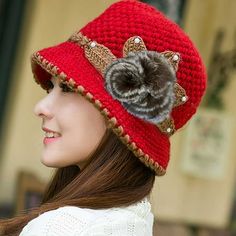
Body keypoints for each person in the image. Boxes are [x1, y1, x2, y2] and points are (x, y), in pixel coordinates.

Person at [0, 0, 207, 235]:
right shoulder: (134, 218)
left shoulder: (63, 227)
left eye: (67, 88)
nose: (41, 107)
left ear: (118, 119)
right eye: (51, 88)